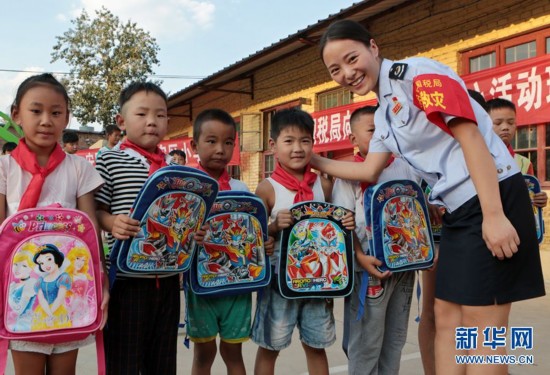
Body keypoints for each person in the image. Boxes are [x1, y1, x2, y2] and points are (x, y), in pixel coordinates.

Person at [316, 19, 545, 374]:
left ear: (373, 48)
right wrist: (314, 159)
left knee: (485, 328)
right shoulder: (384, 115)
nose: (347, 72)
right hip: (458, 212)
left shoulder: (417, 75)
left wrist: (494, 215)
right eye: (336, 69)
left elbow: (470, 137)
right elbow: (368, 171)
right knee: (445, 316)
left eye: (351, 58)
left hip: (491, 196)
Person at [0, 73, 108, 375]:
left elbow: (89, 231)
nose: (46, 120)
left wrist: (102, 281)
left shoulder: (79, 168)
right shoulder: (4, 168)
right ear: (16, 114)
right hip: (20, 291)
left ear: (66, 118)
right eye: (36, 111)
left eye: (56, 112)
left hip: (68, 287)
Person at [251, 108, 354, 375]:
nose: (297, 148)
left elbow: (335, 226)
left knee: (316, 345)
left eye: (305, 141)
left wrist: (345, 223)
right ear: (273, 145)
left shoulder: (324, 184)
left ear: (313, 144)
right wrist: (273, 227)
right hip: (278, 283)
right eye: (289, 141)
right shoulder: (267, 188)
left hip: (319, 281)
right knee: (270, 346)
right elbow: (255, 239)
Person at [94, 81, 180, 374]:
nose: (152, 122)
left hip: (168, 277)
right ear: (121, 121)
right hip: (125, 279)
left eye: (160, 115)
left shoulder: (175, 167)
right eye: (142, 114)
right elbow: (95, 210)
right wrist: (112, 222)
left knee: (163, 362)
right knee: (124, 362)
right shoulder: (109, 159)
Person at [333, 105, 420, 374]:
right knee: (367, 340)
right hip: (370, 267)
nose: (381, 136)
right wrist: (359, 256)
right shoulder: (347, 174)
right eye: (372, 131)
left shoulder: (407, 167)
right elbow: (342, 222)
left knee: (395, 339)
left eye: (385, 129)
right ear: (353, 139)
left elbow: (417, 211)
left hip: (404, 267)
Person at [186, 108, 271, 375]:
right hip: (201, 287)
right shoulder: (187, 190)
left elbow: (253, 238)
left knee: (233, 353)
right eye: (211, 141)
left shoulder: (241, 190)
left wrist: (262, 246)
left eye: (228, 142)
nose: (220, 149)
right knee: (204, 354)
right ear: (194, 145)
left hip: (238, 287)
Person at [487, 97, 547, 207]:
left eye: (510, 122)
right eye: (498, 123)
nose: (505, 127)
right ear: (485, 124)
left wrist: (539, 199)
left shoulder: (524, 162)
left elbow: (530, 195)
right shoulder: (477, 158)